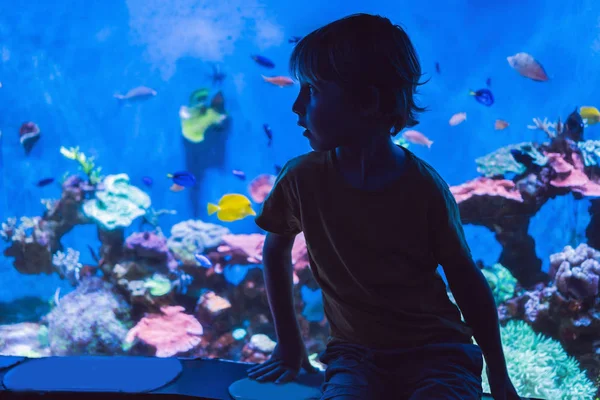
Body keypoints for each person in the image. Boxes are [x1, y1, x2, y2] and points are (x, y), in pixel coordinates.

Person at [247, 13, 520, 400]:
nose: (296, 106)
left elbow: (466, 281)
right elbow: (274, 251)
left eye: (313, 90)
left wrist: (499, 376)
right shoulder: (300, 178)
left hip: (438, 353)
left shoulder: (423, 188)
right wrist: (289, 345)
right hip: (354, 355)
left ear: (368, 101)